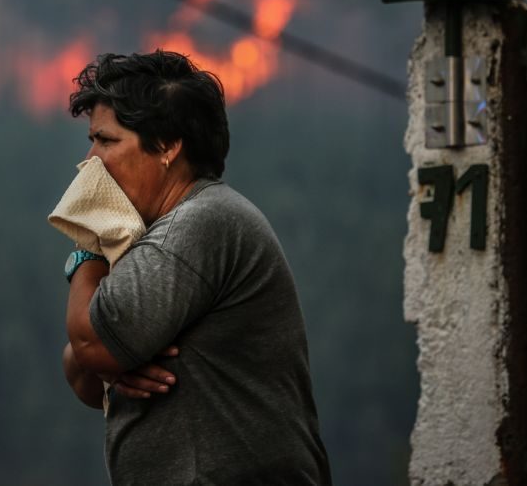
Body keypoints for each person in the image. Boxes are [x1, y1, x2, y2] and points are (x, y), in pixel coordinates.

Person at [60, 50, 332, 485]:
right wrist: (107, 356)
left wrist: (87, 244)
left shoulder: (197, 224)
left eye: (107, 141)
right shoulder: (155, 236)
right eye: (92, 140)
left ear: (167, 145)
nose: (91, 161)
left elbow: (91, 347)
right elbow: (86, 377)